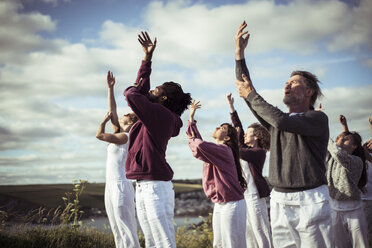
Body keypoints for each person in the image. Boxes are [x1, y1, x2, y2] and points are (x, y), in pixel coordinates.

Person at [234, 21, 332, 247]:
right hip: (279, 199)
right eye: (286, 82)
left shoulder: (317, 118)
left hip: (311, 200)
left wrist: (251, 94)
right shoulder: (276, 123)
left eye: (294, 82)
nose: (287, 85)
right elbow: (247, 93)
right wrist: (239, 55)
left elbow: (279, 118)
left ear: (310, 92)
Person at [124, 31, 192, 248]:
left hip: (155, 186)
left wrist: (146, 65)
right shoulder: (155, 116)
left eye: (156, 88)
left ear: (163, 98)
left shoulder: (161, 116)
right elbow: (139, 97)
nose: (151, 89)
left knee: (163, 241)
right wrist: (147, 59)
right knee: (153, 242)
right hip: (145, 185)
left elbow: (131, 94)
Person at [186, 100, 247, 248]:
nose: (217, 127)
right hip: (220, 204)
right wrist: (191, 118)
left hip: (232, 204)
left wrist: (192, 133)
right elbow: (200, 145)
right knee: (219, 244)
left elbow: (199, 144)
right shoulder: (214, 152)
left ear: (226, 138)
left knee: (232, 244)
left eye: (221, 128)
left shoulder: (224, 150)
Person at [96, 71, 140, 248]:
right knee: (116, 227)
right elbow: (112, 110)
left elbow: (99, 135)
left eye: (123, 116)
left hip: (121, 185)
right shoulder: (120, 133)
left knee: (126, 226)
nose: (119, 116)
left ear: (129, 121)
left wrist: (103, 121)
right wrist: (110, 88)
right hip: (111, 185)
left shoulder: (125, 137)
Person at [226, 93, 273, 248]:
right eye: (245, 133)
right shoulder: (246, 148)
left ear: (257, 136)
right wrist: (232, 108)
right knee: (248, 231)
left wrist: (237, 134)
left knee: (261, 229)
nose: (244, 135)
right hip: (244, 196)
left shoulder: (258, 152)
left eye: (248, 133)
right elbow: (238, 128)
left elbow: (238, 148)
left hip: (255, 196)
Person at [326, 114, 368, 247]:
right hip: (335, 208)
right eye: (340, 138)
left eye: (346, 139)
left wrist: (329, 137)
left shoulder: (356, 161)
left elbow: (338, 153)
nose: (341, 139)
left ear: (355, 146)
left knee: (360, 244)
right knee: (339, 245)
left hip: (353, 209)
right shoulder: (331, 158)